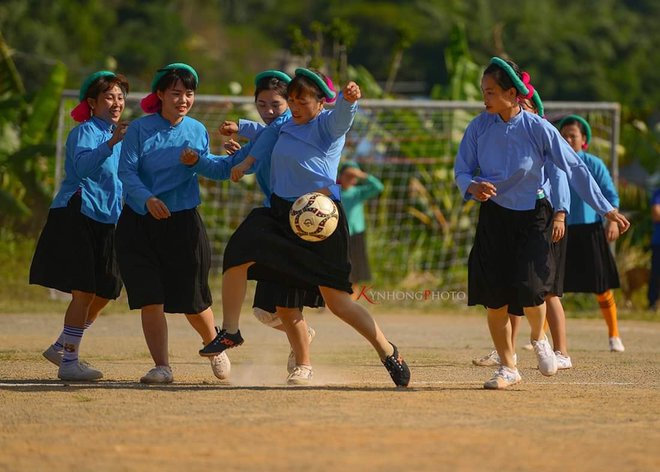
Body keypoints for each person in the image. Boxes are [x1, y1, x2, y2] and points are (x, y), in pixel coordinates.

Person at [198, 68, 411, 388]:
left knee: (339, 303)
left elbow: (342, 117)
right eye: (292, 100)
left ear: (320, 103)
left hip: (320, 220)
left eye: (303, 101)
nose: (295, 107)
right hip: (282, 215)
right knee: (240, 253)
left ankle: (387, 350)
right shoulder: (285, 124)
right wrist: (243, 148)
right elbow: (265, 131)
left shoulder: (326, 126)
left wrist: (349, 100)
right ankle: (232, 333)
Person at [455, 57, 630, 390]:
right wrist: (472, 186)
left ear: (512, 93)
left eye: (491, 92)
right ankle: (507, 367)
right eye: (483, 91)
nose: (484, 98)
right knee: (494, 299)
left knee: (534, 289)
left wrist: (606, 209)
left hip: (533, 215)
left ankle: (539, 339)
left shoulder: (538, 128)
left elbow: (575, 168)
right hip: (494, 215)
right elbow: (462, 170)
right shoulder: (478, 127)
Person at [185, 70, 320, 383]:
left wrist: (245, 130)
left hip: (303, 219)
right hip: (276, 217)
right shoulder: (265, 138)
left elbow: (272, 132)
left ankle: (304, 363)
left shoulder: (291, 129)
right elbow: (226, 167)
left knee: (289, 304)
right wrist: (196, 162)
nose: (269, 110)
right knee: (267, 312)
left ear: (292, 103)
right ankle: (257, 334)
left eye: (276, 104)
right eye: (261, 104)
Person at [115, 63, 230, 384]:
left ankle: (215, 347)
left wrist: (225, 159)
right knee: (150, 298)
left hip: (182, 224)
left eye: (189, 94)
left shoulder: (196, 130)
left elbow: (213, 170)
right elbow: (127, 172)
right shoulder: (139, 129)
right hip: (140, 221)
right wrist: (146, 199)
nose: (183, 100)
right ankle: (162, 366)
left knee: (192, 300)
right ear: (161, 95)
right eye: (176, 93)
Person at [29, 71, 129, 381]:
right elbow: (83, 167)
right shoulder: (85, 132)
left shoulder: (121, 136)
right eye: (109, 97)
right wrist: (111, 142)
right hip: (78, 212)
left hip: (109, 218)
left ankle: (62, 344)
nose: (116, 103)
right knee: (83, 291)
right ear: (92, 102)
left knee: (107, 289)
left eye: (120, 97)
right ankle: (69, 362)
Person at [472, 92, 573, 370]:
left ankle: (556, 348)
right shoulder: (496, 133)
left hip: (544, 221)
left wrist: (560, 214)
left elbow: (562, 177)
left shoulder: (542, 137)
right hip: (507, 219)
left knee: (542, 291)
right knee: (508, 291)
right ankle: (508, 354)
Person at [558, 115, 626, 352]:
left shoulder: (594, 164)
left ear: (583, 139)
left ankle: (614, 335)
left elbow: (611, 195)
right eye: (563, 134)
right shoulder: (555, 162)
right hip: (561, 230)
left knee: (601, 285)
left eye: (572, 135)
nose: (567, 139)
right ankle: (542, 337)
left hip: (590, 231)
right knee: (551, 287)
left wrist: (613, 222)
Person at [337, 160, 384, 296]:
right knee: (339, 264)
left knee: (356, 264)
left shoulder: (358, 192)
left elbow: (378, 187)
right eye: (348, 175)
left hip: (356, 233)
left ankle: (353, 294)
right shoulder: (335, 191)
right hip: (339, 233)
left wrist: (362, 175)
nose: (351, 178)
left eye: (354, 176)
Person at [648, 188, 660, 310]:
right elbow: (656, 214)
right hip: (658, 243)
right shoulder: (658, 193)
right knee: (656, 275)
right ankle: (652, 304)